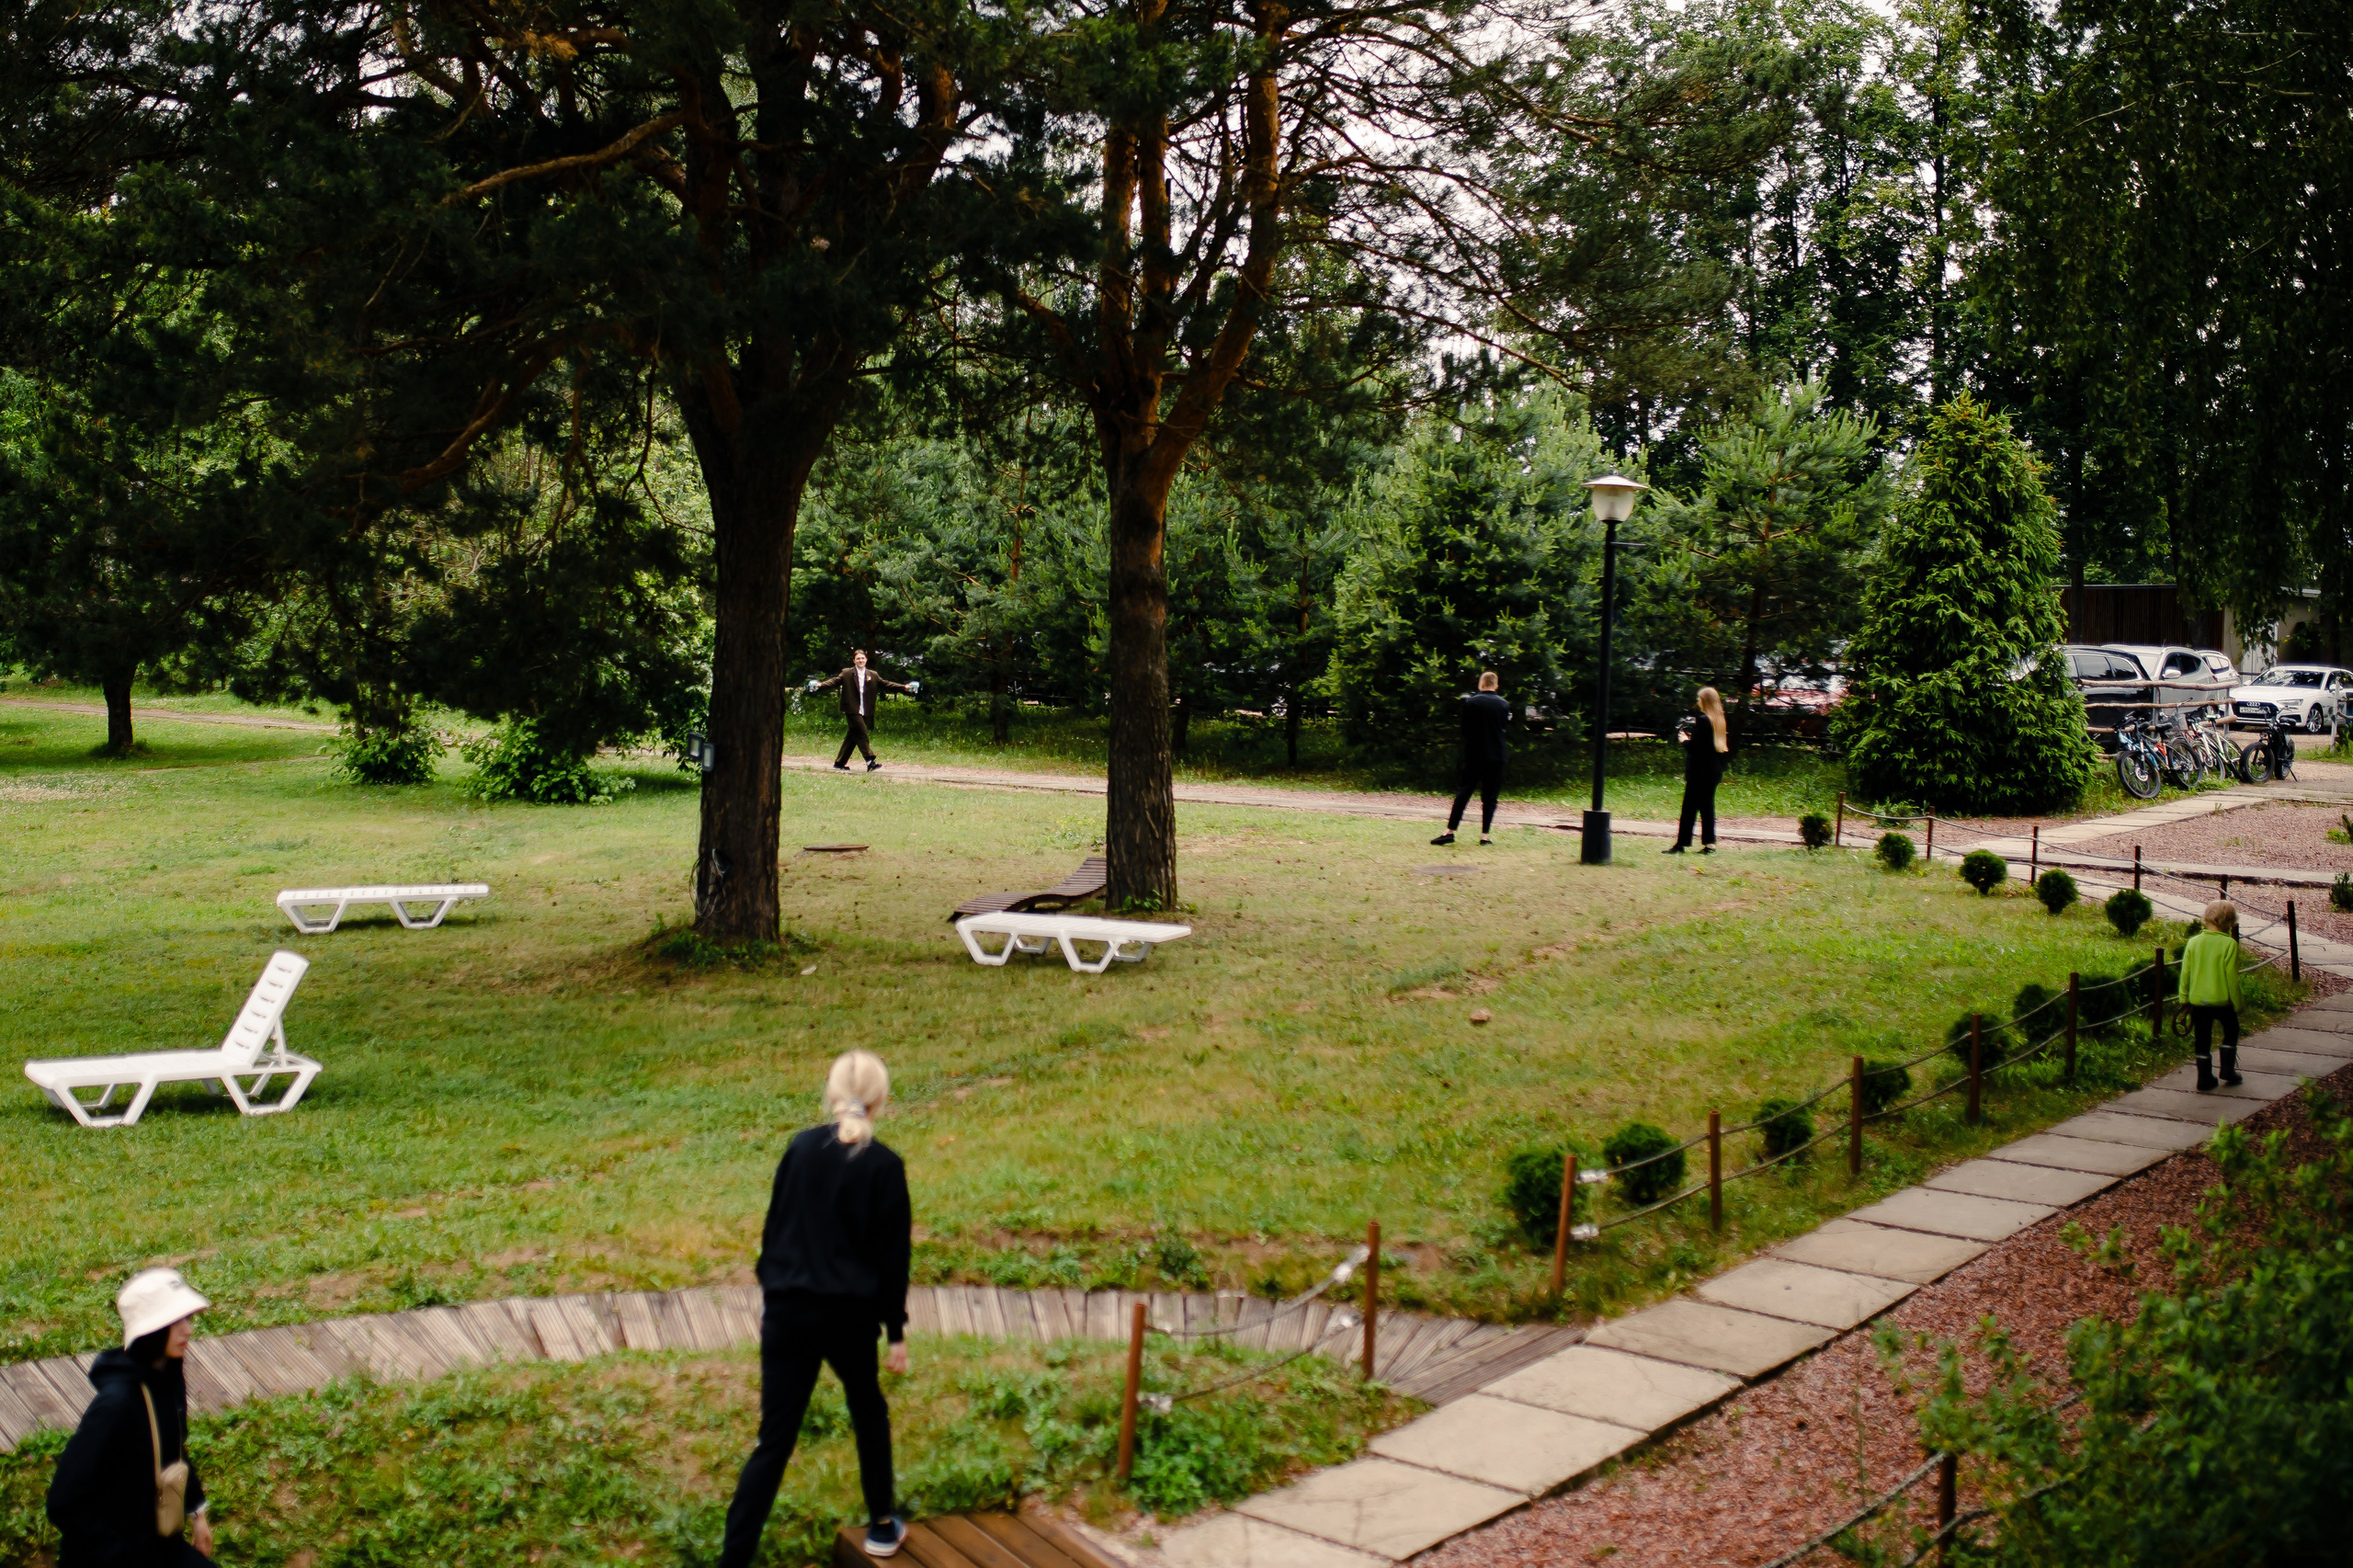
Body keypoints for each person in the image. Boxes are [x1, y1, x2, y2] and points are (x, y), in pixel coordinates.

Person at [720, 1051, 912, 1564]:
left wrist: (775, 1290)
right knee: (868, 1412)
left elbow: (772, 1229)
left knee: (773, 1442)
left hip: (787, 1314)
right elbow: (893, 1261)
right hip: (849, 1319)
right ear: (880, 1100)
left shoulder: (800, 1149)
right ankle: (881, 1526)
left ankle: (733, 1559)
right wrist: (895, 1333)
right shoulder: (885, 1166)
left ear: (830, 1095)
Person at [47, 1267, 218, 1567]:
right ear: (152, 1330)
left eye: (188, 1318)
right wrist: (115, 1554)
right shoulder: (115, 1404)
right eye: (175, 1321)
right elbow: (63, 1500)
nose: (188, 1330)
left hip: (156, 1544)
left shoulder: (166, 1381)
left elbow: (174, 1450)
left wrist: (196, 1512)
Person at [1432, 671, 1511, 846]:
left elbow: (1465, 730)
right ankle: (1485, 836)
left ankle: (1450, 831)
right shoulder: (1504, 704)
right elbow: (1504, 726)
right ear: (1496, 685)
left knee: (1464, 793)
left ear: (1481, 684)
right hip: (1497, 755)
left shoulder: (1472, 702)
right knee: (1490, 797)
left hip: (1475, 754)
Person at [2178, 899, 2245, 1091]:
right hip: (2222, 1001)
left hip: (2198, 1001)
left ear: (2206, 918)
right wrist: (2238, 1004)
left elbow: (2186, 973)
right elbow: (2232, 979)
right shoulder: (2229, 944)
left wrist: (2183, 999)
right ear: (2230, 922)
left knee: (2202, 1039)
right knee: (2231, 1031)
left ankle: (2204, 1078)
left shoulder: (2193, 943)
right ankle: (2227, 1070)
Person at [810, 652, 916, 772]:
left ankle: (839, 763)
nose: (860, 660)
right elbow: (834, 681)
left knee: (852, 736)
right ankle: (870, 761)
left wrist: (904, 687)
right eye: (858, 659)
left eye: (862, 658)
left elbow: (887, 684)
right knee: (862, 733)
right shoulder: (847, 673)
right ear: (854, 661)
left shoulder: (873, 675)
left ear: (866, 660)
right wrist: (820, 685)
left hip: (865, 709)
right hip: (851, 708)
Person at [1665, 687, 1730, 854]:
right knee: (1707, 808)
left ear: (1704, 701)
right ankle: (1710, 844)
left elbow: (1696, 748)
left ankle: (1681, 844)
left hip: (1700, 771)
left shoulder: (1703, 720)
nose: (1697, 701)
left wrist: (1684, 740)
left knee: (1689, 808)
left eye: (1699, 698)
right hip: (1713, 770)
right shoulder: (1719, 720)